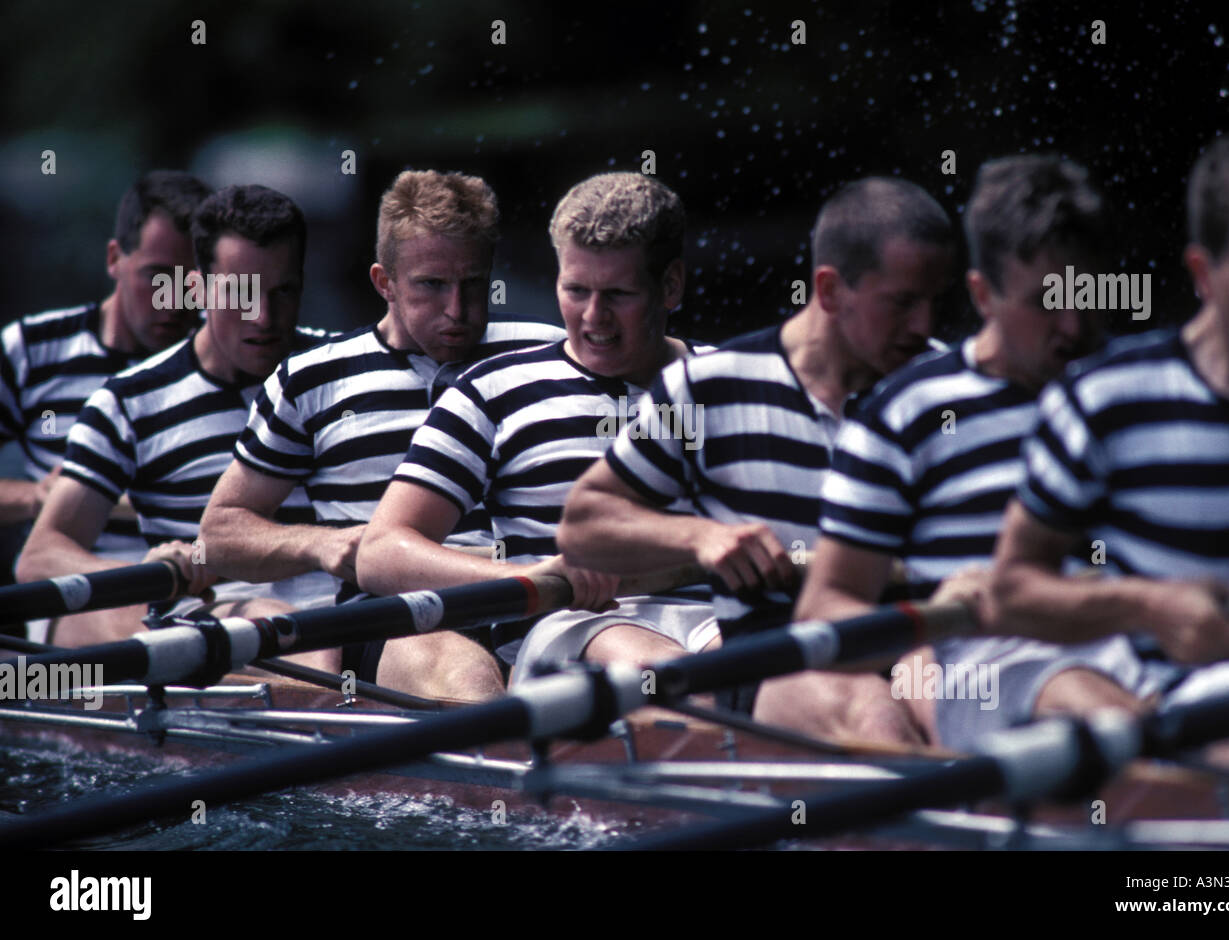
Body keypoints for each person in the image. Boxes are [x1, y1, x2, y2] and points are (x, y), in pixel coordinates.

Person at [557, 177, 957, 742]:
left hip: (924, 635)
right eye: (902, 305)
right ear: (830, 290)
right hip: (778, 657)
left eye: (936, 303)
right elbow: (583, 527)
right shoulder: (709, 387)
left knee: (962, 699)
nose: (923, 327)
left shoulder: (945, 384)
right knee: (870, 710)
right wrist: (700, 538)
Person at [988, 127, 1229, 775]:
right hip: (1193, 711)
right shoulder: (1102, 401)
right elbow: (1012, 592)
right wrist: (1149, 606)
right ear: (1203, 273)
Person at [199, 169, 564, 699]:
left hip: (547, 599)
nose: (457, 312)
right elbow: (218, 536)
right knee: (465, 679)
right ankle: (500, 765)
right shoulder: (311, 379)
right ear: (384, 282)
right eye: (432, 286)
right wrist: (321, 546)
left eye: (473, 285)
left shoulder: (546, 352)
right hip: (402, 615)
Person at [795, 155, 1121, 748]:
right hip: (1000, 665)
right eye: (1046, 301)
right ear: (984, 295)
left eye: (1086, 294)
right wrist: (927, 618)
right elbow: (823, 611)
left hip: (1151, 644)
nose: (1073, 325)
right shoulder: (902, 415)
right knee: (1105, 707)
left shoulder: (1143, 383)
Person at [356, 172, 716, 688]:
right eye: (576, 290)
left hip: (721, 619)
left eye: (618, 294)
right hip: (574, 624)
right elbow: (380, 551)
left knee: (781, 678)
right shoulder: (493, 390)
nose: (594, 317)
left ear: (671, 286)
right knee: (668, 672)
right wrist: (526, 577)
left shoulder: (735, 382)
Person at [16, 184, 330, 648]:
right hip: (229, 635)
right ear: (197, 289)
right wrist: (152, 573)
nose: (264, 317)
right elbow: (40, 556)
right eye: (243, 294)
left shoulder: (340, 365)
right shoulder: (130, 402)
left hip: (353, 618)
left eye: (283, 292)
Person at [0, 171, 211, 565]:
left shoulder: (221, 354)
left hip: (195, 588)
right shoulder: (30, 349)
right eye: (159, 277)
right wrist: (36, 497)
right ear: (114, 259)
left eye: (191, 283)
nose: (174, 300)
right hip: (77, 592)